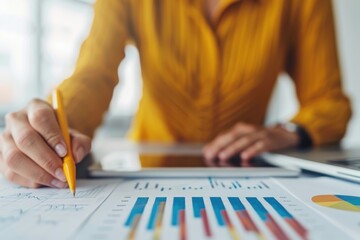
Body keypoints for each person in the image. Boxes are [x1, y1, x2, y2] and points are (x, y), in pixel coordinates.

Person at [0, 0, 351, 188]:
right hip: (146, 169)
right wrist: (51, 129)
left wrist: (288, 132)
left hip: (246, 173)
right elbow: (95, 75)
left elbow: (329, 103)